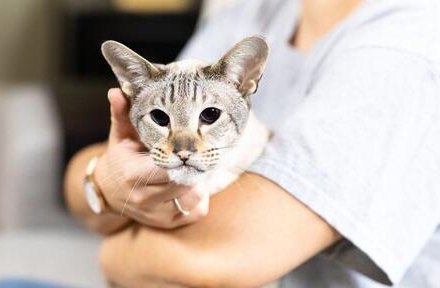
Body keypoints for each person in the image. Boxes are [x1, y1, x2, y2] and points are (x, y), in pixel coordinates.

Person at [65, 0, 440, 287]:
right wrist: (105, 184)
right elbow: (79, 181)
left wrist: (112, 246)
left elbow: (220, 259)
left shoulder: (405, 48)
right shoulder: (255, 12)